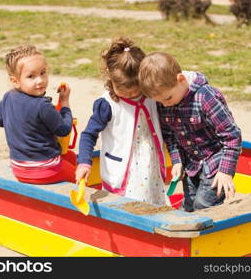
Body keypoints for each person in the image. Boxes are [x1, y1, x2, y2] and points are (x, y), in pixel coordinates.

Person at [138, 51, 242, 212]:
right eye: (159, 101)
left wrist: (225, 171)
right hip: (191, 165)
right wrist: (177, 161)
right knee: (189, 205)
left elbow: (232, 135)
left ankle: (211, 235)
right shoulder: (165, 102)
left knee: (203, 205)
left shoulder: (205, 97)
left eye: (167, 99)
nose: (164, 105)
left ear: (180, 80)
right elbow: (170, 137)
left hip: (215, 162)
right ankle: (181, 233)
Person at [76, 37, 168, 205]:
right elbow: (88, 135)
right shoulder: (107, 104)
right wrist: (84, 162)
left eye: (136, 90)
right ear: (111, 80)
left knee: (153, 204)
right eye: (126, 91)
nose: (133, 95)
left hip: (150, 163)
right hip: (123, 170)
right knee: (129, 206)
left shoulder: (151, 95)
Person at [0, 45, 76, 184]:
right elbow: (64, 130)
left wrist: (20, 125)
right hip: (46, 168)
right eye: (31, 76)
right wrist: (64, 102)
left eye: (43, 72)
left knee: (70, 157)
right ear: (15, 81)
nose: (40, 80)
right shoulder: (42, 106)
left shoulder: (8, 97)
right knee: (81, 179)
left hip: (19, 168)